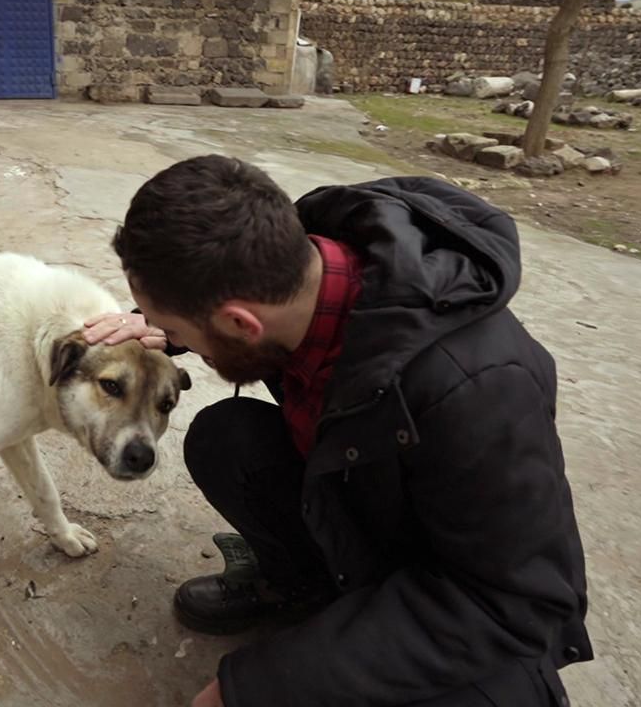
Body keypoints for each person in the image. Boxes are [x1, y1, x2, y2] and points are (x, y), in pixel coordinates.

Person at [83, 155, 591, 707]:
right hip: (363, 506)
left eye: (176, 329)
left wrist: (257, 687)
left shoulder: (475, 388)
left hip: (459, 591)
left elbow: (514, 605)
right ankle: (305, 590)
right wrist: (161, 320)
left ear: (239, 323)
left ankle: (351, 625)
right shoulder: (298, 263)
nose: (168, 338)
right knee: (224, 438)